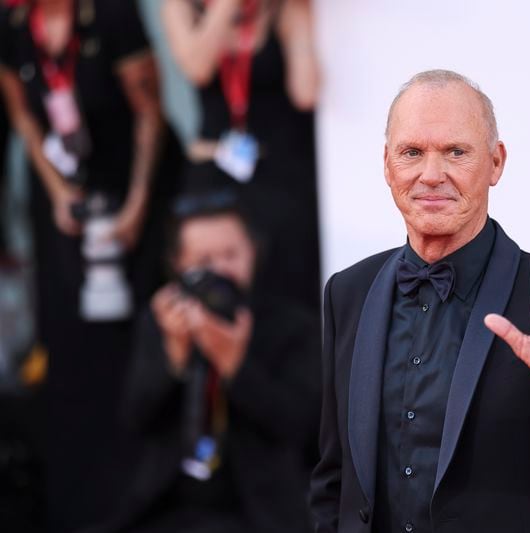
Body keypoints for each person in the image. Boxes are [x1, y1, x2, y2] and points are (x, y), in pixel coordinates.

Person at [309, 70, 530, 533]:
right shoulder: (348, 292)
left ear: (496, 163)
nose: (431, 175)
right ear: (388, 165)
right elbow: (334, 478)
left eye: (456, 152)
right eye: (412, 152)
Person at [0, 0, 183, 529]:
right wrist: (57, 192)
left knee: (130, 339)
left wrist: (136, 206)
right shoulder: (14, 24)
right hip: (62, 200)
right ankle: (76, 501)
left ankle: (141, 496)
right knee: (69, 342)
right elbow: (22, 116)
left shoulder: (112, 15)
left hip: (132, 188)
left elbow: (150, 110)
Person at [100, 192, 320, 533]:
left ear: (253, 253)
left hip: (261, 512)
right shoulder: (160, 320)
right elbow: (135, 419)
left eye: (231, 255)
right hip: (167, 505)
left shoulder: (293, 326)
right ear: (179, 265)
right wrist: (174, 356)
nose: (220, 270)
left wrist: (236, 365)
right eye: (204, 259)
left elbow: (300, 429)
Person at [162, 0, 321, 312]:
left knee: (288, 285)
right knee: (213, 284)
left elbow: (306, 93)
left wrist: (300, 22)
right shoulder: (179, 7)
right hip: (212, 171)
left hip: (279, 172)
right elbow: (197, 66)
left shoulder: (282, 9)